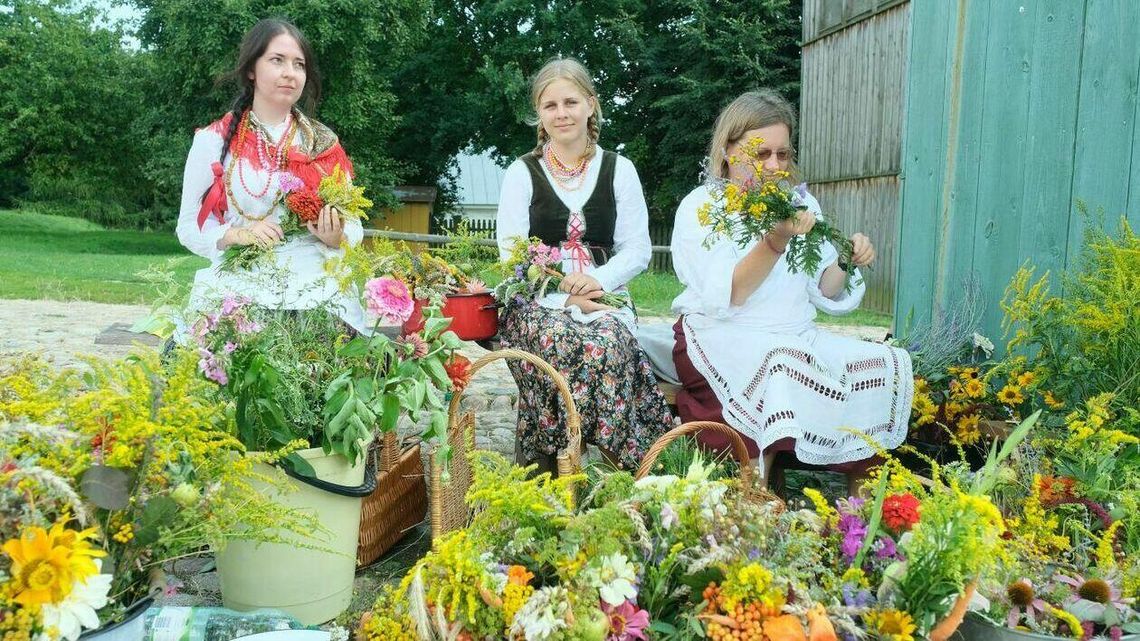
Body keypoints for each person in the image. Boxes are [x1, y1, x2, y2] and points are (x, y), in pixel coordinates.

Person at [670, 89, 913, 495]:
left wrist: (848, 261)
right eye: (761, 154)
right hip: (721, 335)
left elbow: (825, 288)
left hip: (792, 333)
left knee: (881, 362)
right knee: (779, 364)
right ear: (728, 151)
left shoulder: (800, 204)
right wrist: (774, 240)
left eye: (783, 155)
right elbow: (731, 293)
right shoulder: (701, 207)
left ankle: (860, 521)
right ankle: (753, 502)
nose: (774, 165)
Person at [496, 58, 673, 472]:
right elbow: (512, 258)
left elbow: (637, 249)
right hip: (536, 301)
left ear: (590, 105)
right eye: (550, 105)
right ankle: (561, 461)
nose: (561, 113)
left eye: (571, 102)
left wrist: (595, 282)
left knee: (611, 340)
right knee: (560, 339)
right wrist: (565, 299)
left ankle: (614, 465)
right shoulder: (522, 173)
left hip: (605, 291)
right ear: (538, 114)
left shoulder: (619, 170)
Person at [176, 18, 368, 333]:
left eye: (299, 64)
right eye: (277, 60)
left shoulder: (323, 144)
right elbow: (188, 227)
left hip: (318, 286)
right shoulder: (213, 140)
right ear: (252, 69)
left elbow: (354, 227)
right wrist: (234, 235)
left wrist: (337, 237)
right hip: (242, 281)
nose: (289, 73)